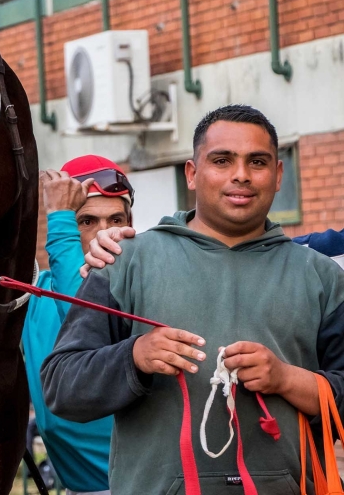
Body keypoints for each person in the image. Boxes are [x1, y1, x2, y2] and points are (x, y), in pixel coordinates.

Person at [41, 104, 344, 494]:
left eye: (257, 161)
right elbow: (62, 387)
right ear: (192, 173)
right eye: (222, 160)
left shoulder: (321, 276)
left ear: (279, 174)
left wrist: (286, 379)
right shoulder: (126, 262)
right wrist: (134, 357)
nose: (241, 175)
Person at [23, 155, 134, 495]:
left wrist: (60, 220)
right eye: (85, 221)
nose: (104, 233)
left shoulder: (141, 284)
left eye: (115, 219)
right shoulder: (33, 295)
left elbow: (86, 314)